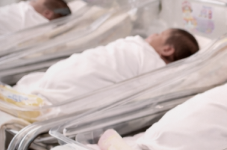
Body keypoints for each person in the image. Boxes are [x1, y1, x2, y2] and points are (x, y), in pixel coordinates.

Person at [12, 28, 199, 105]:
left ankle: (49, 88)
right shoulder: (134, 47)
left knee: (74, 76)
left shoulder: (152, 63)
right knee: (81, 64)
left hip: (80, 80)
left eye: (159, 34)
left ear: (167, 49)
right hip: (79, 65)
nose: (153, 34)